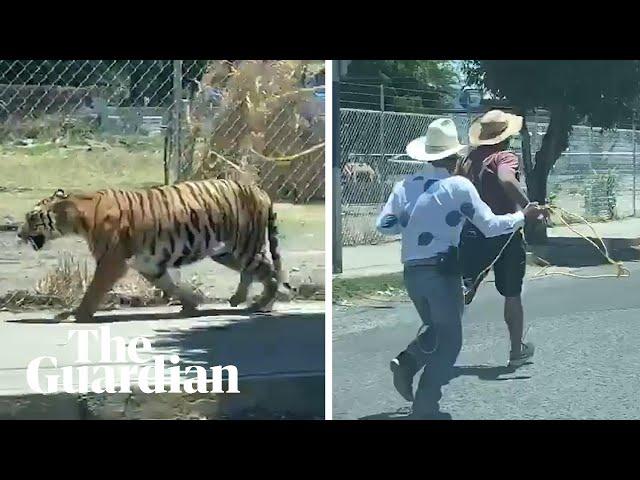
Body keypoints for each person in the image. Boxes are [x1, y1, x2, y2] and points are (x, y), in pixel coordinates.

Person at [376, 118, 545, 419]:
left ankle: (408, 362)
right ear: (455, 157)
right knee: (450, 342)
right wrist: (523, 216)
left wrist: (413, 220)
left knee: (437, 331)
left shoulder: (407, 185)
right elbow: (491, 226)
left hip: (412, 272)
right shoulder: (457, 187)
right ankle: (426, 406)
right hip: (442, 271)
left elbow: (385, 225)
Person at [457, 110, 535, 368]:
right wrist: (528, 208)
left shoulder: (467, 160)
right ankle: (516, 350)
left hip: (472, 233)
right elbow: (506, 178)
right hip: (505, 232)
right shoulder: (504, 157)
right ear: (505, 136)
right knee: (512, 293)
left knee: (462, 292)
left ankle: (431, 345)